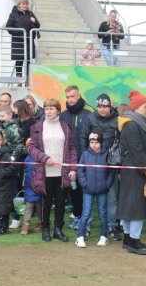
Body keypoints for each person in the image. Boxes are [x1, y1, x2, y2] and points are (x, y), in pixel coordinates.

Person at [29, 98, 77, 242]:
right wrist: (44, 158)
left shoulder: (66, 126)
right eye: (46, 108)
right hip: (45, 172)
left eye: (51, 109)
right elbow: (32, 148)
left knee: (61, 202)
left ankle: (58, 229)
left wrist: (73, 168)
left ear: (58, 110)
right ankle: (45, 229)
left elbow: (72, 149)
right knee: (46, 202)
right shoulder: (37, 126)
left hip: (62, 173)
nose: (48, 112)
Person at [118, 90, 146, 255]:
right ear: (136, 108)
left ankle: (128, 239)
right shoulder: (132, 125)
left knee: (130, 206)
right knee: (136, 206)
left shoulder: (135, 123)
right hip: (135, 170)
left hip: (133, 169)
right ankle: (134, 240)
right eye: (144, 106)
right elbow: (137, 152)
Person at [79, 93, 121, 241]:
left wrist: (118, 166)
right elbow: (83, 137)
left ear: (110, 106)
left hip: (110, 164)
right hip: (91, 163)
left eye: (105, 106)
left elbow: (121, 142)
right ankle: (86, 228)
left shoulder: (118, 120)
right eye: (99, 106)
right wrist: (85, 158)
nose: (102, 109)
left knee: (111, 199)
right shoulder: (90, 118)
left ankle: (112, 226)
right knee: (88, 201)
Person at [60, 85, 94, 231]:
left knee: (83, 188)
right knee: (72, 189)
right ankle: (77, 215)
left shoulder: (89, 113)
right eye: (67, 97)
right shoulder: (63, 115)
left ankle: (85, 219)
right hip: (68, 159)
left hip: (85, 159)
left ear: (79, 96)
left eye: (72, 96)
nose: (70, 99)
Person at [76, 130, 116, 248]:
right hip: (88, 190)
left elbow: (111, 171)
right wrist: (84, 183)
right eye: (92, 142)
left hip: (102, 190)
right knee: (86, 213)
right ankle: (80, 236)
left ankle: (103, 236)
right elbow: (80, 170)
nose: (94, 145)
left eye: (96, 142)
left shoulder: (107, 154)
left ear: (101, 143)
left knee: (103, 213)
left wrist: (107, 184)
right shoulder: (85, 154)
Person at [0, 104, 24, 229]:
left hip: (12, 166)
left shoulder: (15, 128)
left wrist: (12, 158)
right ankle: (2, 216)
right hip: (1, 166)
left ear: (10, 115)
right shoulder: (0, 128)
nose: (1, 118)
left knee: (14, 192)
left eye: (2, 116)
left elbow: (19, 146)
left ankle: (16, 218)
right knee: (2, 192)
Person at [6, 0, 40, 86]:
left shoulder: (30, 14)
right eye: (23, 4)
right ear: (19, 5)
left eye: (26, 4)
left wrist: (34, 21)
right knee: (19, 60)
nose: (25, 5)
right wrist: (19, 31)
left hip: (29, 40)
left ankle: (28, 80)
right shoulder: (13, 15)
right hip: (18, 41)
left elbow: (38, 25)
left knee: (28, 60)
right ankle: (20, 80)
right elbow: (8, 27)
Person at [20, 139, 42, 236]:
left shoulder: (41, 159)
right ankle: (26, 224)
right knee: (28, 207)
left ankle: (41, 222)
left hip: (39, 187)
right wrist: (24, 186)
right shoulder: (27, 159)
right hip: (29, 187)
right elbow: (25, 174)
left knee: (39, 207)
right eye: (29, 147)